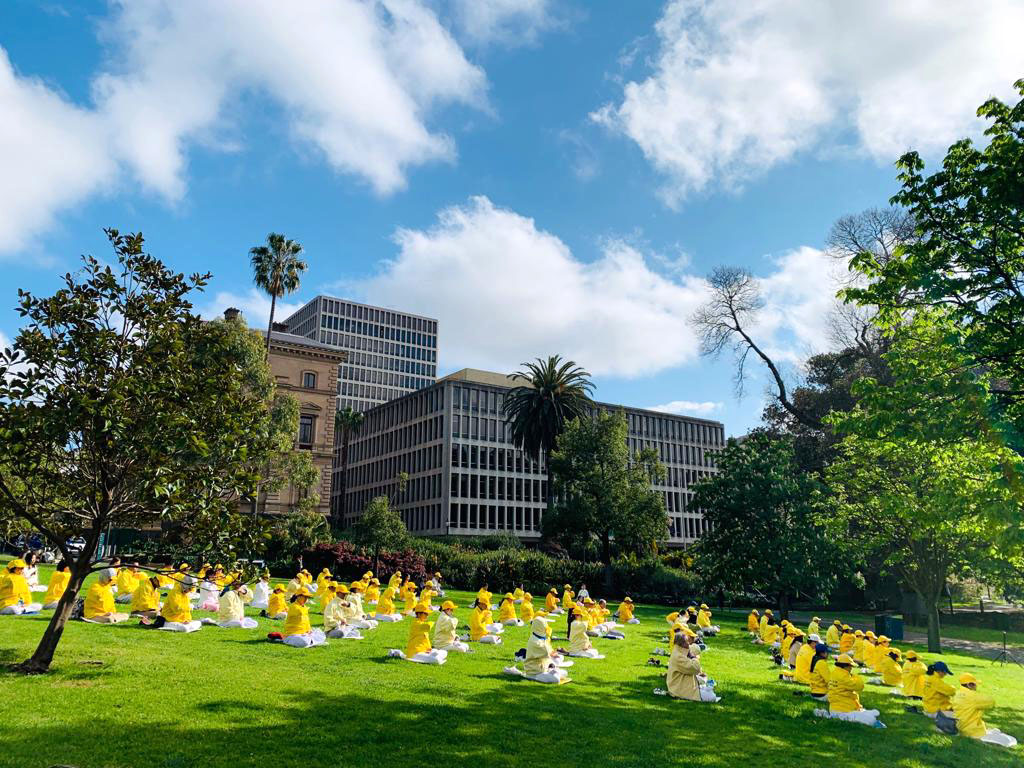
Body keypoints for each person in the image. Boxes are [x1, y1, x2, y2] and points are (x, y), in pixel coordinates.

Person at [952, 673, 1017, 747]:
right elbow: (991, 702)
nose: (976, 687)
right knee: (1010, 741)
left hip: (960, 728)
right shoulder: (973, 697)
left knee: (996, 731)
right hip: (974, 732)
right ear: (970, 685)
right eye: (975, 684)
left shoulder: (957, 694)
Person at [818, 653, 883, 726]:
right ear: (846, 666)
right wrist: (855, 676)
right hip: (843, 711)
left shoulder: (835, 673)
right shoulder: (844, 677)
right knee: (870, 720)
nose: (851, 668)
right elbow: (860, 686)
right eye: (850, 666)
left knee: (870, 714)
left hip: (838, 708)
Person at [660, 628, 719, 702]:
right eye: (687, 641)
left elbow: (693, 668)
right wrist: (694, 657)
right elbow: (695, 668)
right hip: (679, 688)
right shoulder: (678, 656)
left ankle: (705, 689)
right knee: (712, 697)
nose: (689, 644)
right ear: (682, 643)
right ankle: (706, 689)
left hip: (682, 684)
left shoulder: (679, 651)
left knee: (704, 685)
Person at [517, 615, 571, 683]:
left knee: (565, 673)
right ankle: (539, 675)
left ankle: (551, 670)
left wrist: (554, 653)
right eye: (544, 627)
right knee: (556, 680)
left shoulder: (539, 637)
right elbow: (548, 653)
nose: (546, 628)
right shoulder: (535, 641)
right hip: (535, 672)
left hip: (544, 668)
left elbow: (549, 651)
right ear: (540, 627)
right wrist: (554, 654)